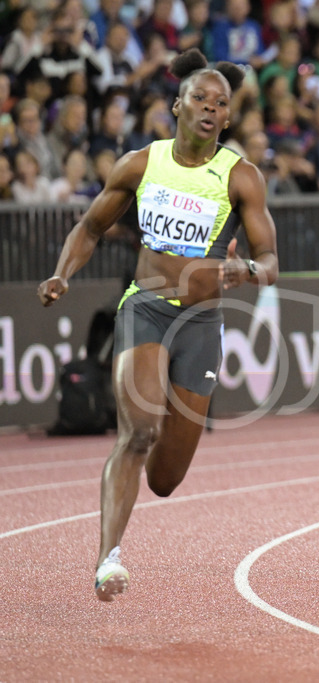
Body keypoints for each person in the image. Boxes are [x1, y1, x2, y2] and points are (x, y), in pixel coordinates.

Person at [37, 48, 278, 601]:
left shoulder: (240, 177)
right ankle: (108, 559)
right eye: (200, 98)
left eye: (221, 103)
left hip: (201, 324)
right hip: (145, 307)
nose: (211, 108)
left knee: (166, 479)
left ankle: (158, 454)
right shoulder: (141, 163)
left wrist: (245, 269)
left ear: (228, 117)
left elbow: (270, 261)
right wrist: (61, 274)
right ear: (177, 105)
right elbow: (90, 227)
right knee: (138, 432)